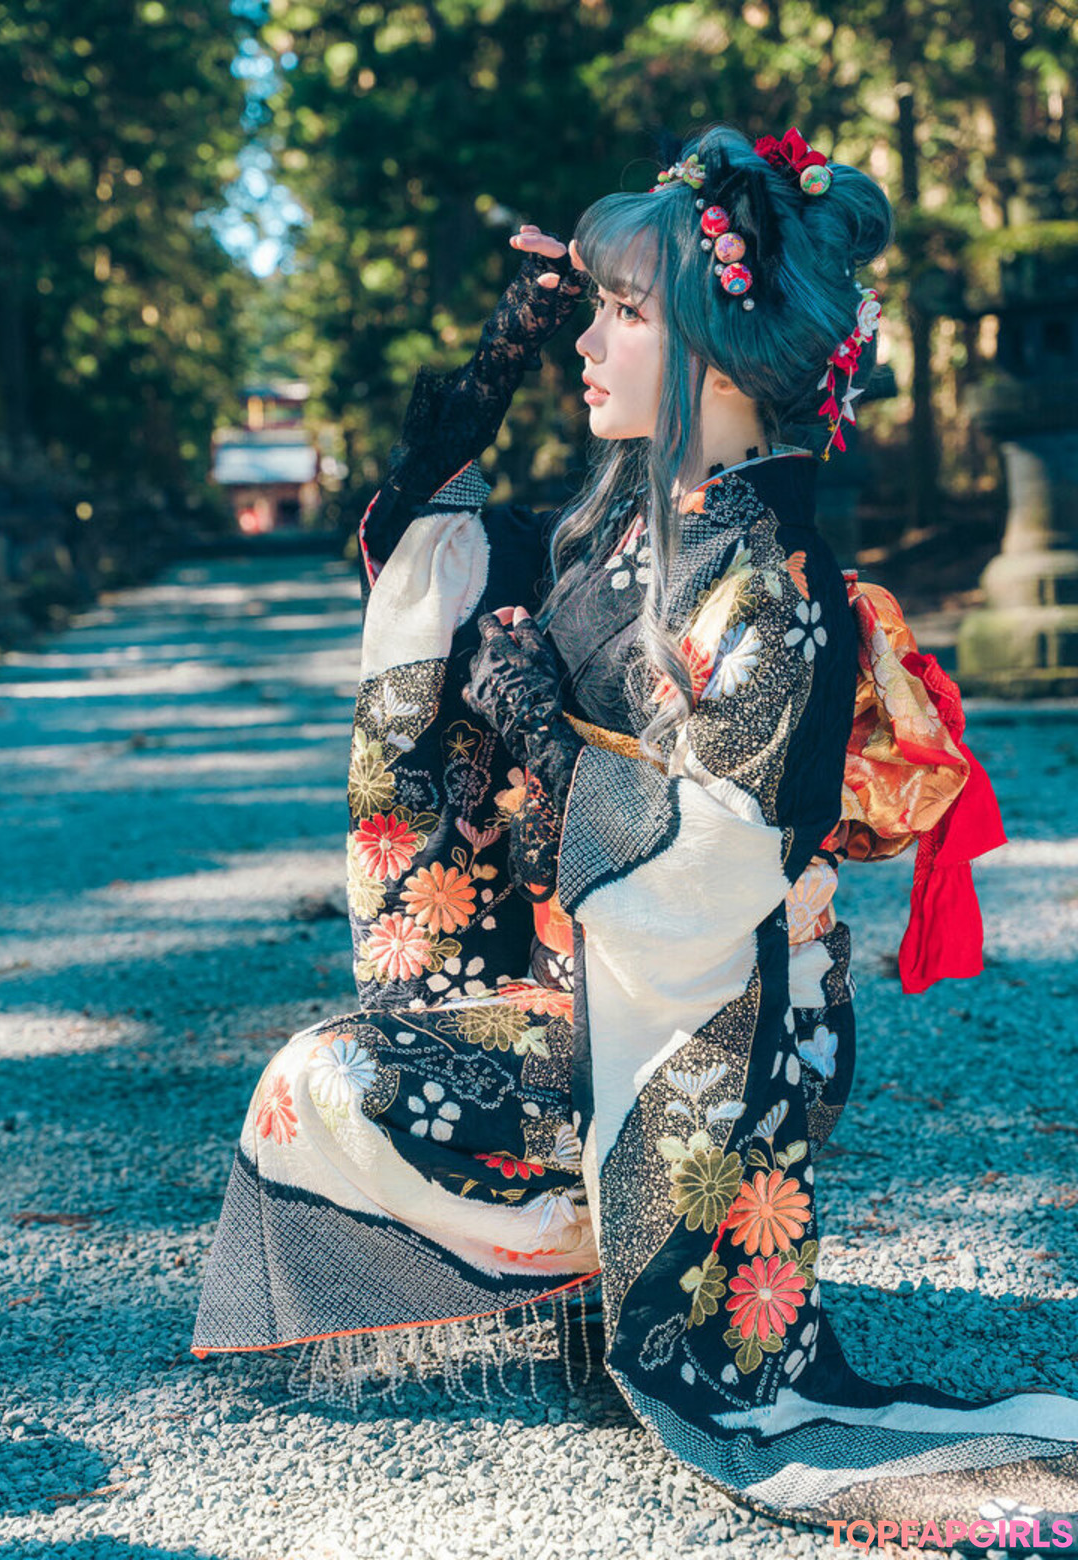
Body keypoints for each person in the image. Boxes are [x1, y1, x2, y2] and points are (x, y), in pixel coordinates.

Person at [191, 124, 1078, 1534]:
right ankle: (577, 1284)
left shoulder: (776, 585)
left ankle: (619, 1273)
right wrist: (503, 351)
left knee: (334, 1078)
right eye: (588, 310)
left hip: (722, 1022)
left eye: (621, 313)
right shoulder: (619, 529)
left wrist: (547, 740)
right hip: (598, 975)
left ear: (717, 354)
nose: (587, 346)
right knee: (334, 1082)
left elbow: (711, 869)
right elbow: (420, 555)